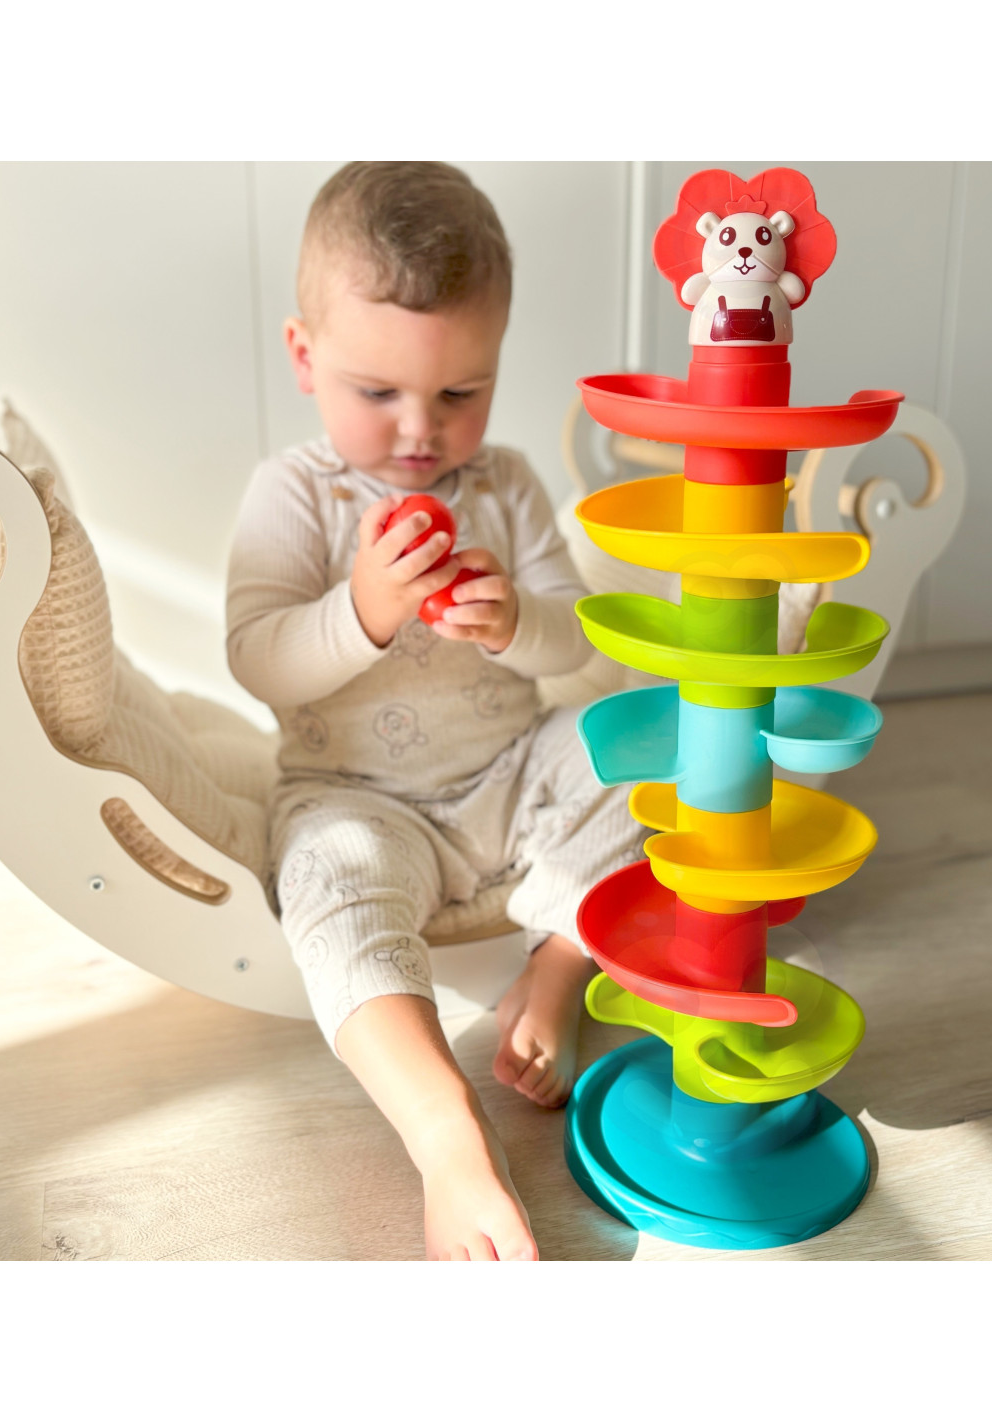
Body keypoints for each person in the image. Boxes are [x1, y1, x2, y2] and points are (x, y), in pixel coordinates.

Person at [226, 162, 642, 1261]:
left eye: (461, 393)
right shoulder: (294, 494)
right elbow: (257, 659)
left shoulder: (504, 485)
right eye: (379, 393)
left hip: (511, 770)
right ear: (304, 357)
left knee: (636, 747)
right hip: (358, 795)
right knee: (326, 882)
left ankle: (558, 965)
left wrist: (516, 622)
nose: (421, 431)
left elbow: (578, 636)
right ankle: (443, 1129)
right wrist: (361, 610)